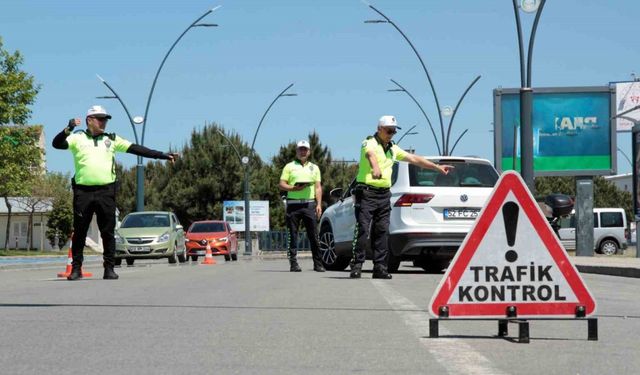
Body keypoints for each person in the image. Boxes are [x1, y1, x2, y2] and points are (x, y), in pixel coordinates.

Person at [52, 105, 178, 280]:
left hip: (106, 191)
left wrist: (162, 155)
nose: (104, 122)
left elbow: (136, 148)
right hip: (83, 192)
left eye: (105, 119)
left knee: (108, 232)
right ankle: (76, 269)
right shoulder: (77, 137)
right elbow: (56, 144)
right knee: (80, 231)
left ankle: (109, 268)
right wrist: (68, 128)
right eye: (100, 119)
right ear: (90, 120)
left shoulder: (111, 139)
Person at [350, 115, 453, 279]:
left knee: (382, 232)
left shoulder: (393, 148)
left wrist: (436, 167)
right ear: (379, 129)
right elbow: (370, 155)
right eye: (389, 130)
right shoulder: (369, 142)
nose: (391, 134)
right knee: (363, 230)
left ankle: (380, 268)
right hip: (367, 193)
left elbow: (414, 159)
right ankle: (356, 265)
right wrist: (375, 168)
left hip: (384, 195)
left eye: (394, 131)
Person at [279, 140, 324, 272]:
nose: (303, 152)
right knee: (292, 235)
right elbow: (282, 184)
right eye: (300, 149)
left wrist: (319, 204)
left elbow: (318, 187)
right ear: (296, 151)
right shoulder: (289, 166)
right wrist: (294, 188)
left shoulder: (315, 168)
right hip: (293, 204)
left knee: (314, 235)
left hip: (309, 204)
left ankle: (318, 264)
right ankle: (293, 263)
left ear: (309, 152)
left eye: (305, 149)